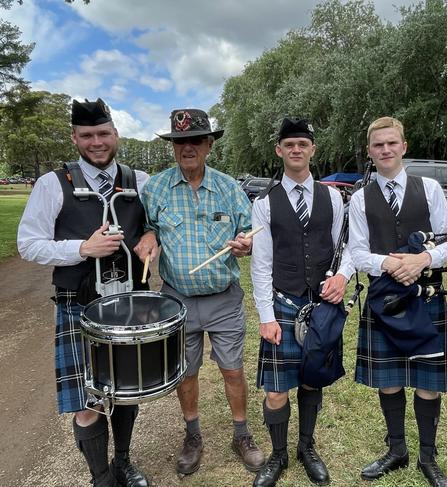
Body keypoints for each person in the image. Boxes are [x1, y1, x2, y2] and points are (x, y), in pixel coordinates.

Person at [17, 98, 153, 487]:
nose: (97, 142)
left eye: (104, 133)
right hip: (79, 305)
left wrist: (150, 234)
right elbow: (29, 245)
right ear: (75, 138)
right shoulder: (52, 184)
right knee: (87, 400)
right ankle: (101, 476)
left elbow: (156, 224)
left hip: (129, 305)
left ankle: (124, 461)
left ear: (116, 134)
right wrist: (81, 248)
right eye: (88, 135)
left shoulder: (139, 180)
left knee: (127, 390)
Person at [138, 108, 264, 476]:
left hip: (223, 299)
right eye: (180, 142)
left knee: (232, 369)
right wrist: (148, 236)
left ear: (209, 145)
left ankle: (241, 434)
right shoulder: (156, 188)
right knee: (186, 372)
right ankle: (192, 435)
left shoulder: (229, 188)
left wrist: (245, 245)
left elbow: (250, 235)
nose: (187, 147)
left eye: (195, 140)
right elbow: (149, 228)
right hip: (176, 299)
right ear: (172, 147)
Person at [347, 116, 447, 486]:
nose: (385, 150)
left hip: (426, 296)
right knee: (390, 380)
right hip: (384, 298)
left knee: (429, 381)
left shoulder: (429, 188)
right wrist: (392, 264)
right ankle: (396, 449)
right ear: (370, 151)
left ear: (403, 146)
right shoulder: (359, 197)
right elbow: (357, 252)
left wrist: (423, 260)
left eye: (391, 143)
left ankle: (428, 458)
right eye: (378, 145)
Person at [250, 118, 354, 487]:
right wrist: (266, 315)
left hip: (321, 306)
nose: (296, 149)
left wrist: (342, 276)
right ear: (279, 150)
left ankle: (306, 447)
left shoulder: (332, 197)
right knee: (277, 388)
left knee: (313, 380)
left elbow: (347, 248)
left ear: (313, 149)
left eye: (303, 143)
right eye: (289, 144)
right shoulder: (264, 203)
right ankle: (278, 455)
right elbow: (260, 264)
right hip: (283, 302)